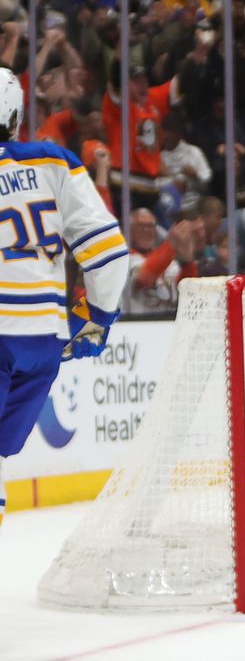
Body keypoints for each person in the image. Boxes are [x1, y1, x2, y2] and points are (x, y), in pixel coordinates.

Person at [0, 68, 128, 528]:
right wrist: (97, 317)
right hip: (42, 341)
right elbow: (109, 254)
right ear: (15, 117)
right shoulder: (54, 162)